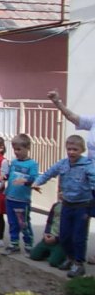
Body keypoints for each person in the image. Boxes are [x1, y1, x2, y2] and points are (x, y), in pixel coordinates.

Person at [32, 135, 95, 277]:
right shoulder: (63, 164)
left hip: (82, 206)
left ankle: (78, 263)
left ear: (82, 150)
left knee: (78, 236)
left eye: (75, 149)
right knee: (65, 235)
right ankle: (70, 258)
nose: (71, 152)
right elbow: (49, 173)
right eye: (69, 149)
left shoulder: (88, 166)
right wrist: (37, 182)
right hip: (66, 204)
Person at [48, 88, 95, 264]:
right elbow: (73, 117)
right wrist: (57, 102)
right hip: (87, 180)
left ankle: (77, 260)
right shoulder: (93, 121)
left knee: (80, 223)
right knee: (79, 223)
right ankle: (72, 257)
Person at [3, 133, 38, 255]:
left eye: (19, 149)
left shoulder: (32, 164)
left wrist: (26, 181)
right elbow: (9, 175)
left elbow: (34, 178)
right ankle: (14, 243)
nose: (16, 152)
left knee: (24, 223)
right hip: (10, 198)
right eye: (14, 149)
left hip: (22, 200)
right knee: (12, 223)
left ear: (27, 148)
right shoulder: (14, 162)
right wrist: (4, 176)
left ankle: (29, 244)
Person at [29, 202, 66, 268]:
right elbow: (49, 222)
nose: (61, 195)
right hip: (50, 236)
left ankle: (63, 255)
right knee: (34, 256)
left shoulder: (73, 208)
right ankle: (48, 252)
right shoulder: (56, 205)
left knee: (54, 262)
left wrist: (57, 238)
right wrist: (46, 233)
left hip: (61, 241)